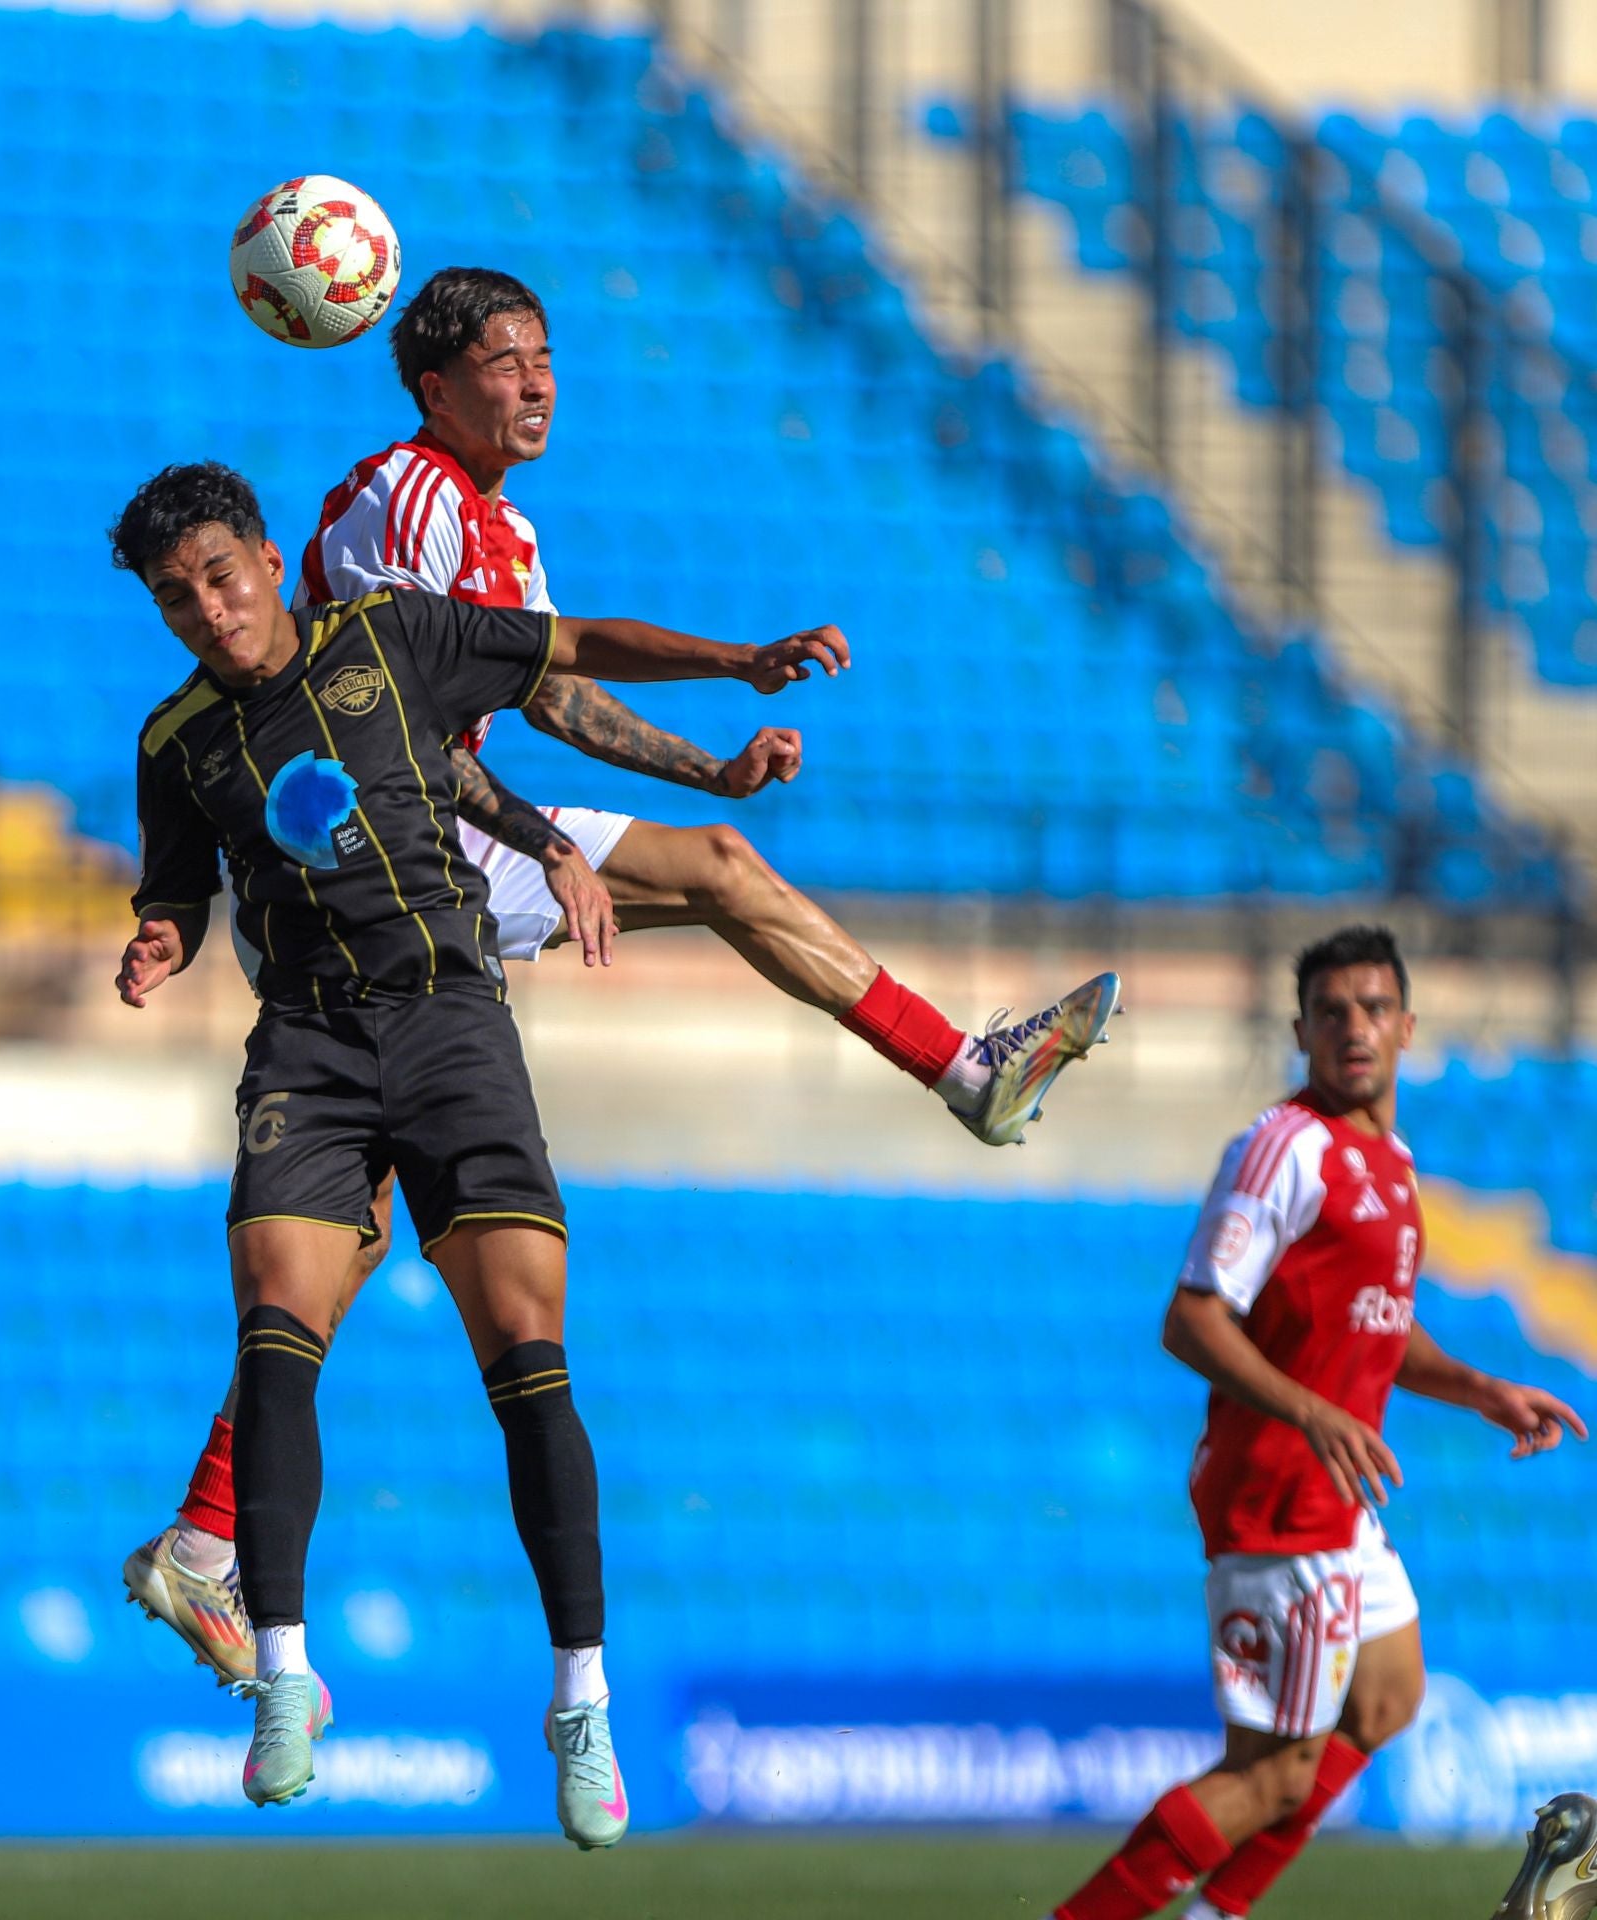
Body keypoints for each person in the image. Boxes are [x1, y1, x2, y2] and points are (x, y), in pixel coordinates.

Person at [125, 268, 1123, 1692]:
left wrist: (712, 759)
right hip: (376, 852)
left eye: (545, 354)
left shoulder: (493, 521)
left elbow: (544, 686)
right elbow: (445, 712)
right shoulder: (411, 501)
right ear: (434, 388)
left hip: (424, 842)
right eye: (505, 360)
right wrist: (650, 755)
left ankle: (207, 1533)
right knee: (707, 884)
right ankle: (965, 1070)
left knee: (350, 1232)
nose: (537, 381)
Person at [109, 457, 851, 1843]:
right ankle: (285, 1676)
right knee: (274, 1333)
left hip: (450, 1020)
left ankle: (581, 1705)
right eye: (175, 598)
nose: (207, 610)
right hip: (308, 1046)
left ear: (267, 558)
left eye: (219, 575)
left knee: (526, 1357)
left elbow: (573, 647)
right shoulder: (176, 743)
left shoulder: (392, 634)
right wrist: (161, 936)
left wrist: (738, 666)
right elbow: (177, 884)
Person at [1041, 924, 1585, 1920]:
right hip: (1279, 1492)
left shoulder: (1391, 1163)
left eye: (1373, 1008)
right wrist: (1313, 1410)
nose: (1353, 1028)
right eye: (1330, 1012)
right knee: (1271, 1776)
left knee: (1388, 1695)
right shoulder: (1284, 1149)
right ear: (1301, 1032)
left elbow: (1378, 1321)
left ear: (1407, 1026)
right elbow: (1192, 1318)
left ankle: (1215, 1911)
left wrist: (1481, 1390)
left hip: (1337, 1493)